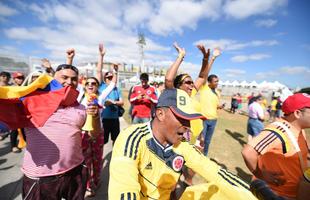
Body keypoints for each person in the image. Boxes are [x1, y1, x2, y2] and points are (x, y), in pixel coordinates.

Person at [109, 88, 257, 200]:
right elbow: (124, 188)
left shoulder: (182, 145)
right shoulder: (132, 138)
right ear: (160, 114)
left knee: (217, 191)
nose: (188, 127)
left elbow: (216, 172)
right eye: (182, 118)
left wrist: (260, 194)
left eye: (190, 120)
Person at [19, 63, 102, 199]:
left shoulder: (80, 107)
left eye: (74, 79)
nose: (69, 82)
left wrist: (96, 116)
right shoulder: (31, 101)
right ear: (53, 78)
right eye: (64, 77)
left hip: (75, 172)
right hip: (40, 178)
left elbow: (94, 134)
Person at [242, 93, 310, 199]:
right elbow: (248, 152)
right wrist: (260, 173)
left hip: (295, 193)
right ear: (297, 113)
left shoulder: (300, 130)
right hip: (278, 194)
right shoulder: (279, 130)